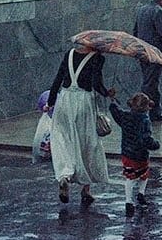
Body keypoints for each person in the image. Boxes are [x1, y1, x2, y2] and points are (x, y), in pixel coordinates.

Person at [45, 46, 115, 204]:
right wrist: (107, 93)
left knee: (63, 140)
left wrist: (50, 103)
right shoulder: (97, 57)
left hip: (64, 99)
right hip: (83, 102)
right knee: (87, 143)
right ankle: (86, 190)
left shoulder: (69, 53)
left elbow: (58, 79)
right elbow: (97, 83)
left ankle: (64, 176)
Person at [109, 92, 160, 217]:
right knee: (144, 173)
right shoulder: (145, 120)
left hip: (126, 153)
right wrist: (155, 144)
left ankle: (128, 201)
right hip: (140, 155)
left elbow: (116, 113)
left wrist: (112, 103)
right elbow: (146, 139)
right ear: (146, 107)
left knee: (130, 177)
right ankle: (141, 194)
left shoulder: (125, 116)